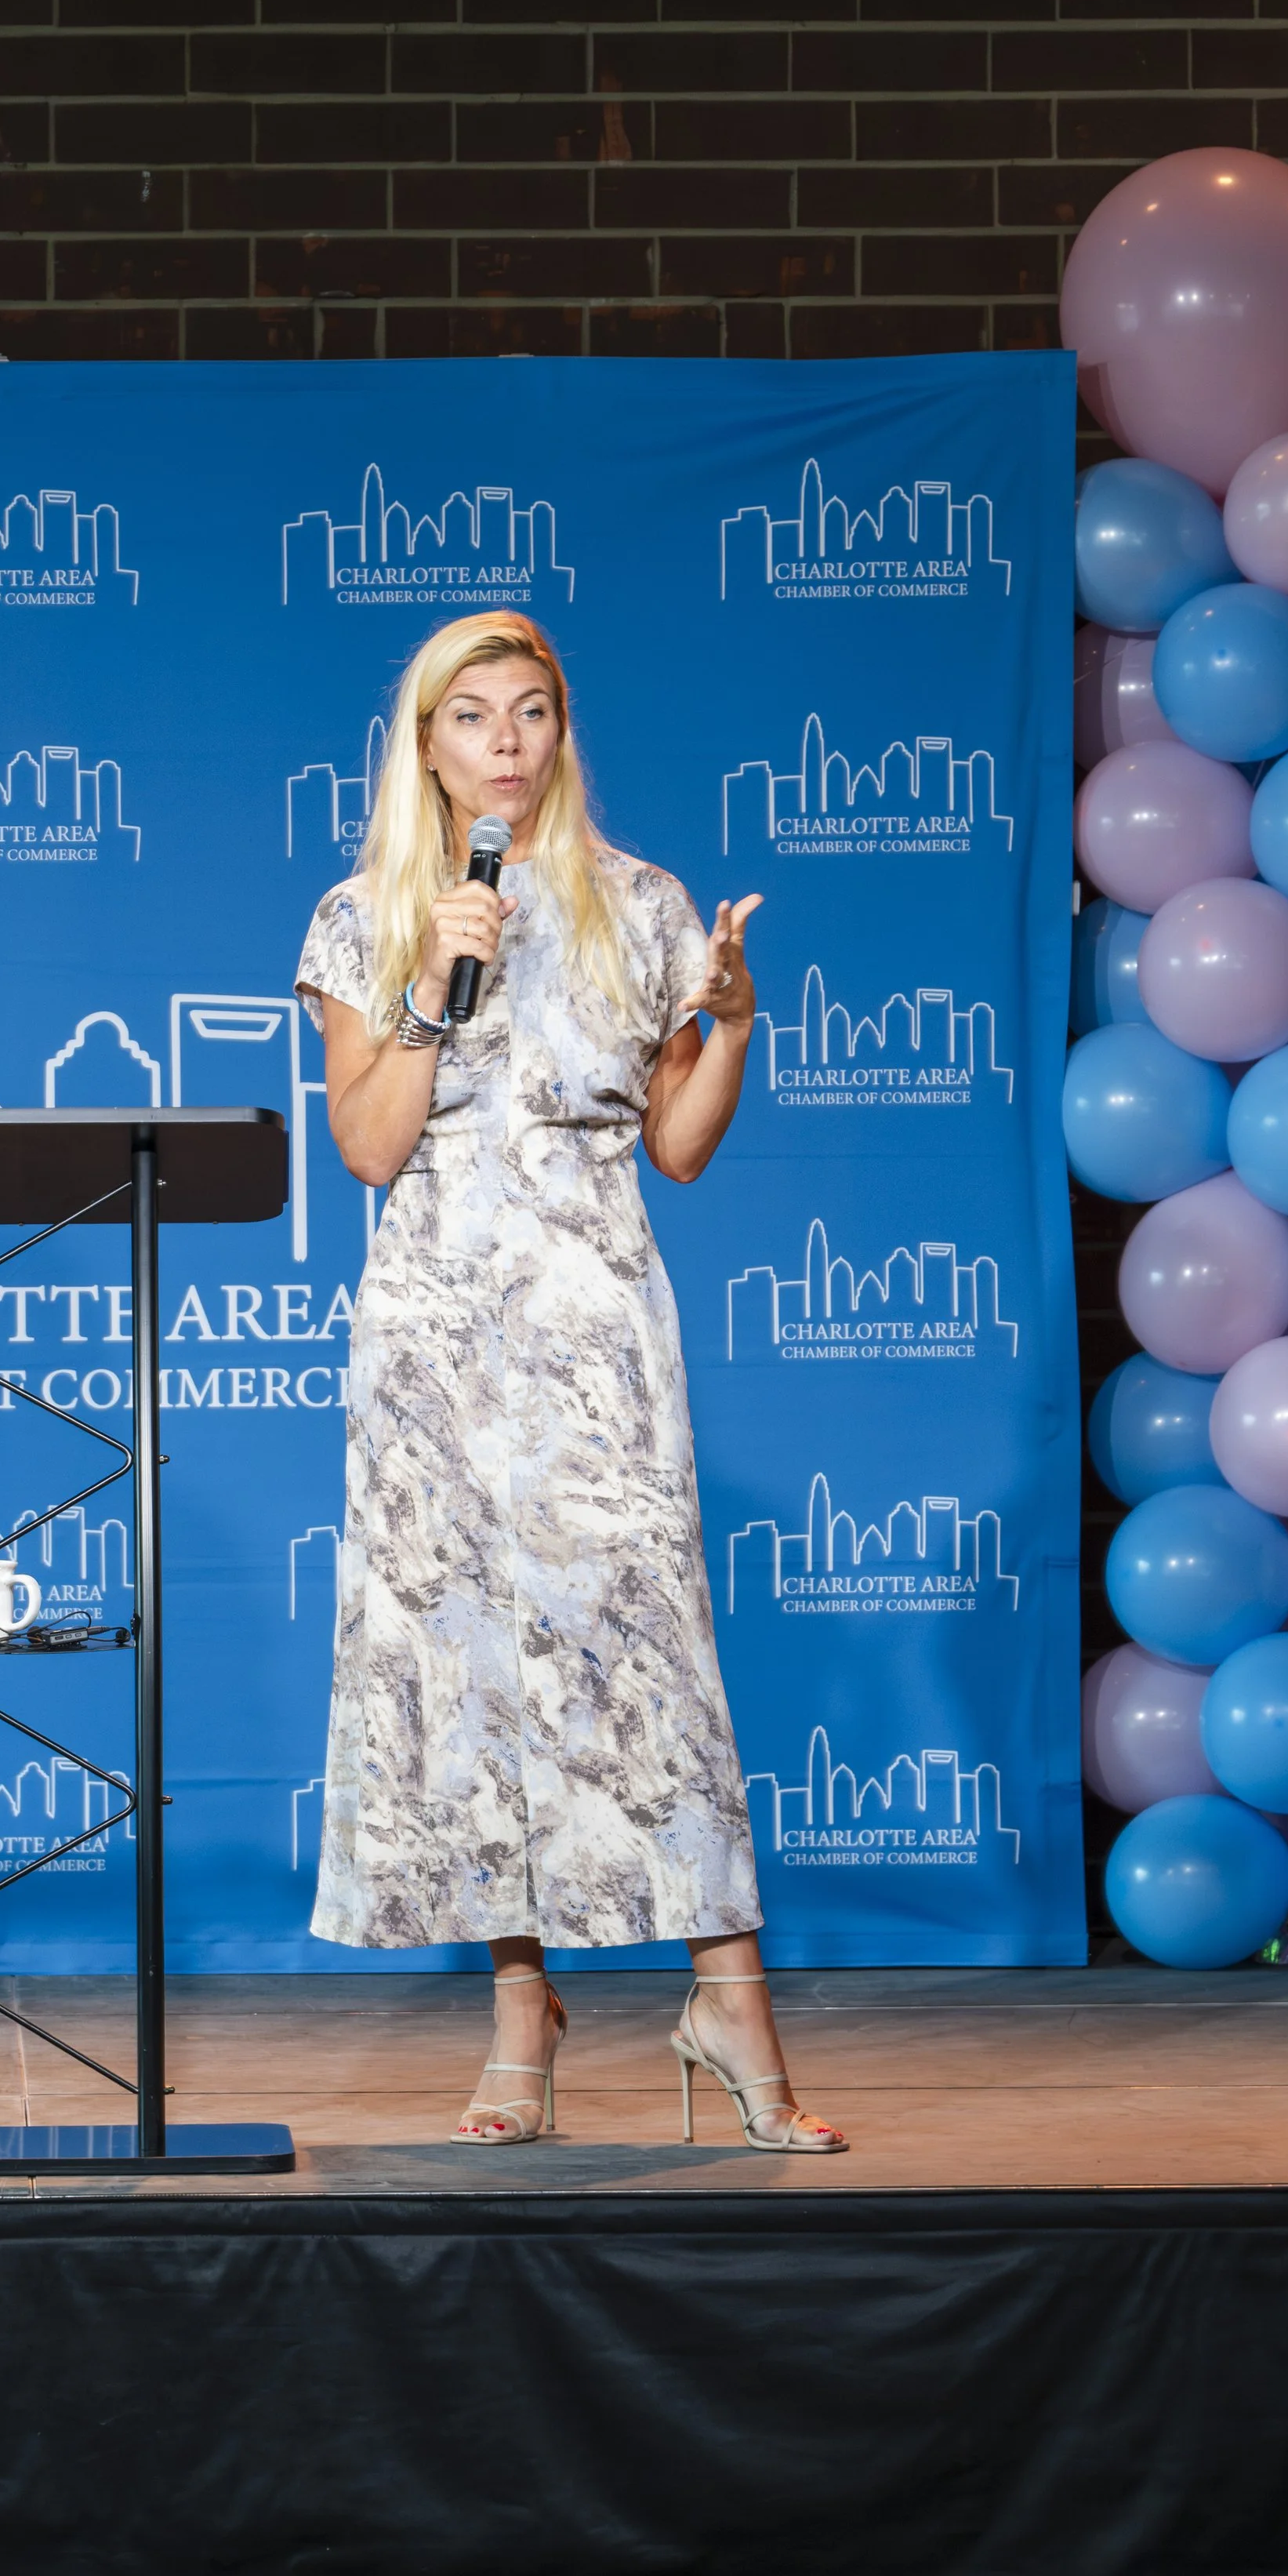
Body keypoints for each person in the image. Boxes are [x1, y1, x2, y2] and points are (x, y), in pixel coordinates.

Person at [293, 610, 845, 2153]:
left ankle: (724, 1995)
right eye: (472, 717)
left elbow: (674, 1145)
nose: (507, 742)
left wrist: (728, 1025)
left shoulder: (642, 905)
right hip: (432, 1341)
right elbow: (364, 1145)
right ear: (426, 746)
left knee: (640, 1637)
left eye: (531, 712)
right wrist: (428, 984)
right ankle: (518, 2008)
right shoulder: (365, 917)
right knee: (465, 1664)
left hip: (593, 1322)